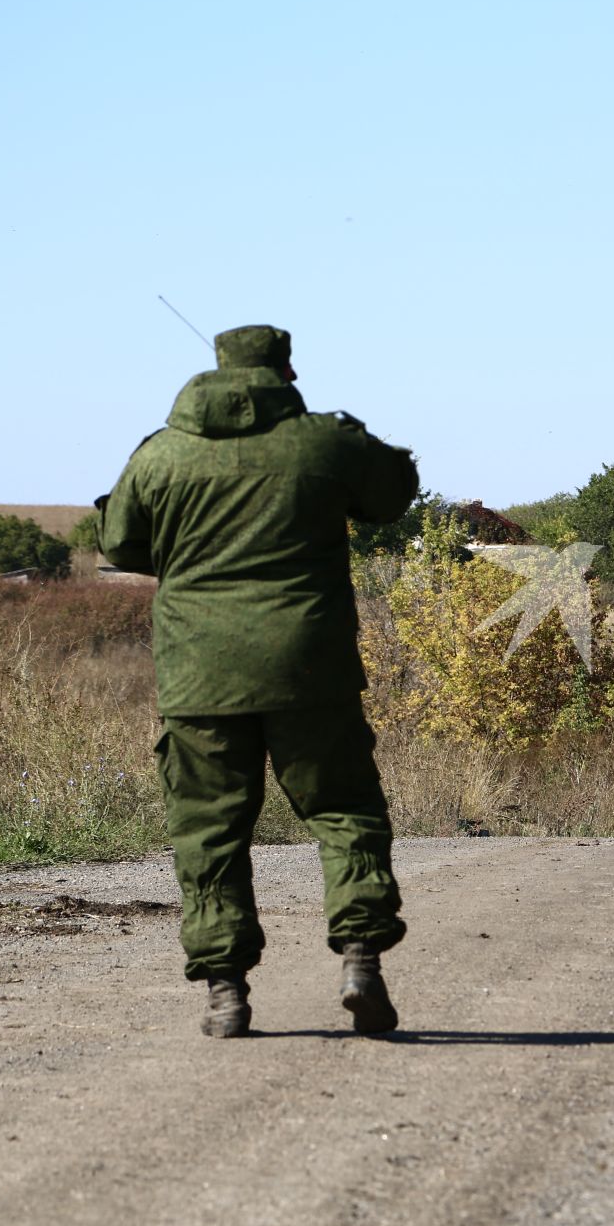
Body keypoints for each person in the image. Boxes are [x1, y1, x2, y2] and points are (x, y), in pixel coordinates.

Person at [97, 325, 419, 1038]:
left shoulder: (160, 455)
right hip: (310, 662)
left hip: (199, 669)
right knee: (342, 808)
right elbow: (394, 493)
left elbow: (119, 543)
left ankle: (225, 990)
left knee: (209, 829)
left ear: (216, 369)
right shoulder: (323, 443)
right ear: (286, 368)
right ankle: (361, 958)